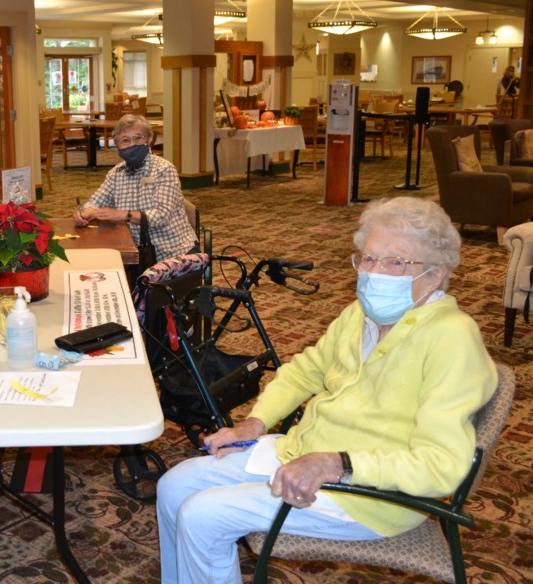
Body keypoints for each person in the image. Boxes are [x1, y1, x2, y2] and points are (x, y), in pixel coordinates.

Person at [156, 196, 497, 584]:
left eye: (396, 262)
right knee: (173, 487)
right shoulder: (361, 314)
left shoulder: (452, 339)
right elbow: (305, 372)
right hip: (305, 453)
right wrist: (254, 424)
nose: (375, 273)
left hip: (369, 491)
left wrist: (336, 462)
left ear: (435, 275)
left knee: (203, 515)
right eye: (369, 259)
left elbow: (441, 467)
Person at [73, 113, 197, 261]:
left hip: (174, 253)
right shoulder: (116, 173)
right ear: (117, 145)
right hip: (136, 253)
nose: (132, 144)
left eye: (138, 138)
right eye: (125, 140)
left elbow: (161, 216)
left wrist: (123, 214)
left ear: (148, 139)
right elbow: (95, 202)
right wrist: (83, 213)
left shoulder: (164, 169)